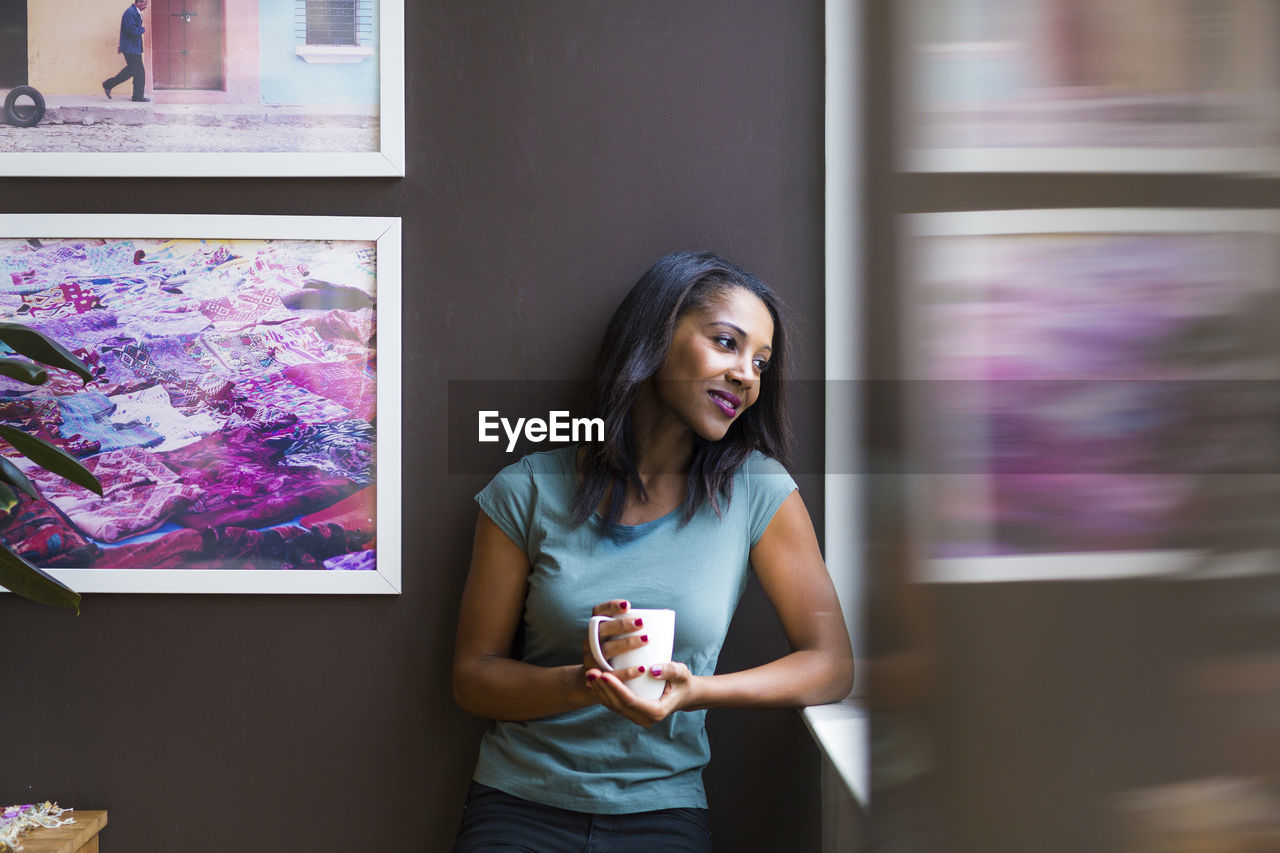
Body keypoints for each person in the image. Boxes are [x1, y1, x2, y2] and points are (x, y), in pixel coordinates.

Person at [452, 251, 855, 851]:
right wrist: (588, 684)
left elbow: (832, 665)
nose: (748, 375)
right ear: (658, 334)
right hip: (519, 805)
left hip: (662, 813)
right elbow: (473, 678)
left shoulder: (759, 492)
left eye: (762, 363)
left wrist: (694, 691)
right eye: (727, 343)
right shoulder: (528, 487)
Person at [103, 0, 150, 103]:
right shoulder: (130, 12)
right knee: (133, 70)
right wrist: (142, 29)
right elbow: (132, 30)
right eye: (145, 4)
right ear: (139, 3)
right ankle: (108, 84)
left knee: (139, 72)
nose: (146, 6)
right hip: (130, 48)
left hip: (133, 47)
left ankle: (137, 97)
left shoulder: (134, 12)